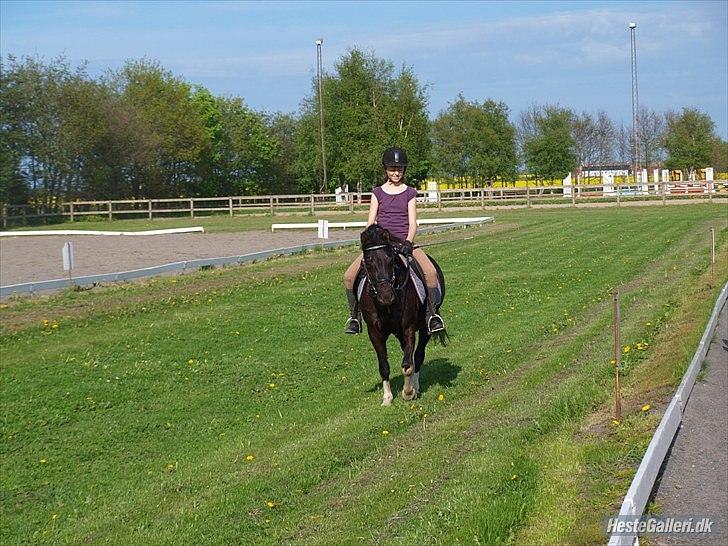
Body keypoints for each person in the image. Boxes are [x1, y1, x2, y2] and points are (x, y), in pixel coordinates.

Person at [343, 146, 445, 335]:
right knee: (349, 277)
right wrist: (369, 243)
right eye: (392, 169)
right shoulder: (377, 192)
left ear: (404, 170)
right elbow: (370, 222)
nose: (396, 173)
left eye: (399, 169)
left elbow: (413, 223)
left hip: (404, 243)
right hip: (380, 245)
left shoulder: (409, 193)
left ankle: (432, 315)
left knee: (430, 273)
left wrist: (408, 242)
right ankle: (355, 317)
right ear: (385, 170)